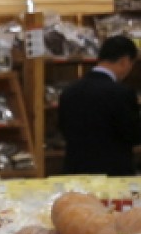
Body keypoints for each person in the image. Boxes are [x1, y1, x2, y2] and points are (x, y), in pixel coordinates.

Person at [57, 35, 141, 176]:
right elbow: (133, 136)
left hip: (75, 171)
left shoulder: (69, 91)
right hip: (113, 174)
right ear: (125, 61)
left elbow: (63, 128)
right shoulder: (122, 93)